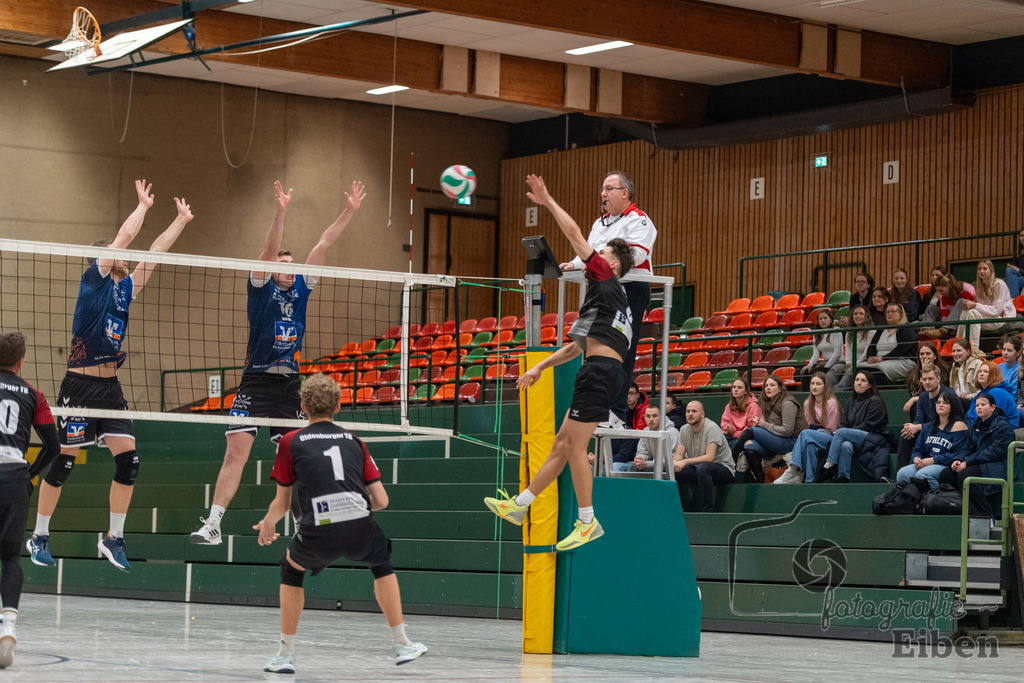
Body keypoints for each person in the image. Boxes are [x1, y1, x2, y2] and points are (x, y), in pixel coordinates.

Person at [28, 180, 194, 572]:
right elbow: (126, 236)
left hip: (110, 388)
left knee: (130, 461)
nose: (124, 255)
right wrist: (142, 207)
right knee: (64, 462)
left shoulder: (126, 289)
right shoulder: (94, 281)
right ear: (103, 258)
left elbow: (154, 253)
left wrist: (180, 221)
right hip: (79, 387)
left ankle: (114, 538)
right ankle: (39, 536)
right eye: (116, 253)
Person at [192, 180, 366, 545]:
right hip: (255, 382)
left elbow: (323, 245)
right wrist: (281, 211)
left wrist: (348, 212)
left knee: (301, 453)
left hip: (289, 386)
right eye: (282, 264)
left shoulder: (303, 287)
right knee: (235, 452)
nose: (288, 268)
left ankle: (308, 521)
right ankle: (213, 524)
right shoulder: (260, 288)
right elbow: (269, 250)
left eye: (291, 265)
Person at [484, 174, 634, 551]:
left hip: (600, 373)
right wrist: (538, 368)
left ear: (612, 266)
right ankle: (520, 506)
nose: (596, 256)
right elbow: (573, 348)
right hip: (600, 370)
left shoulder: (606, 281)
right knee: (560, 445)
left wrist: (548, 201)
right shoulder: (602, 299)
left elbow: (575, 237)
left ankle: (587, 521)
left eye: (604, 255)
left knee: (573, 449)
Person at [253, 374, 426, 673]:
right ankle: (401, 644)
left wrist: (268, 524)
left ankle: (285, 655)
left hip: (318, 529)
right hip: (360, 525)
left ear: (303, 406)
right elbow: (382, 500)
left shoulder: (289, 442)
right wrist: (349, 505)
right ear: (339, 406)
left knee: (291, 569)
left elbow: (281, 504)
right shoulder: (355, 442)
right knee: (381, 563)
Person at [559, 171, 656, 424]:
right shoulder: (599, 223)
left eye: (609, 189)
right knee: (594, 346)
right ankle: (597, 406)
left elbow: (635, 256)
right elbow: (588, 254)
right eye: (602, 189)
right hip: (601, 289)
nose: (603, 194)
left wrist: (601, 265)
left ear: (625, 192)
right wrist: (573, 264)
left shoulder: (639, 220)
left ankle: (617, 411)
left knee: (621, 349)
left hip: (630, 289)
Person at [0, 332, 59, 669]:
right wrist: (31, 475)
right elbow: (53, 447)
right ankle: (8, 625)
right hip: (14, 478)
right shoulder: (34, 395)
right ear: (20, 362)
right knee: (10, 556)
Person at [938, 392, 1014, 519]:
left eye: (983, 404)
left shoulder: (1003, 426)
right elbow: (966, 448)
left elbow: (994, 452)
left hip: (998, 466)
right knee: (946, 474)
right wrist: (958, 459)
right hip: (978, 463)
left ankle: (984, 517)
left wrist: (967, 462)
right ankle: (958, 509)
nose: (979, 407)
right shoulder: (975, 427)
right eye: (977, 405)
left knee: (965, 475)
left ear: (993, 407)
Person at [817, 371, 891, 483]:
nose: (859, 383)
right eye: (857, 380)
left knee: (841, 432)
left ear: (870, 385)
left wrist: (847, 432)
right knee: (845, 445)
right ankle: (843, 477)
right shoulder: (851, 402)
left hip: (873, 437)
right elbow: (844, 423)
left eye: (863, 380)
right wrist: (848, 432)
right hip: (856, 438)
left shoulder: (875, 400)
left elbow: (868, 425)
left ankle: (828, 466)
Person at [732, 374, 806, 483]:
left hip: (791, 442)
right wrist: (761, 425)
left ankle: (731, 458)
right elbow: (770, 429)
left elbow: (787, 431)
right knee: (749, 446)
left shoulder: (788, 403)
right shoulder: (768, 403)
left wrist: (763, 424)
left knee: (750, 431)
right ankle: (761, 481)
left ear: (780, 388)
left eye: (772, 385)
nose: (768, 388)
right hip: (776, 442)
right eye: (766, 385)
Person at [775, 372, 841, 484]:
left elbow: (832, 428)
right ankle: (810, 480)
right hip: (815, 435)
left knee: (805, 434)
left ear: (825, 386)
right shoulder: (807, 403)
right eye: (812, 383)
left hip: (832, 439)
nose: (814, 387)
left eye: (818, 384)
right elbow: (811, 424)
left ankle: (792, 469)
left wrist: (818, 430)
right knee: (809, 446)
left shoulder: (832, 402)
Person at [895, 389, 968, 490]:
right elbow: (918, 449)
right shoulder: (929, 426)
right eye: (938, 402)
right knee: (902, 474)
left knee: (923, 475)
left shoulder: (959, 426)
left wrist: (933, 460)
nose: (940, 405)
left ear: (953, 406)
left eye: (945, 403)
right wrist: (916, 458)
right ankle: (910, 501)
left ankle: (935, 500)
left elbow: (959, 453)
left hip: (945, 465)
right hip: (926, 462)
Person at [673, 401, 735, 512]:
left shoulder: (711, 428)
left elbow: (709, 457)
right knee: (674, 470)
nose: (690, 414)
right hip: (700, 470)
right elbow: (678, 454)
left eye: (694, 411)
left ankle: (707, 510)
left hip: (723, 470)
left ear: (702, 414)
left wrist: (685, 461)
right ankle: (678, 508)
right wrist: (675, 463)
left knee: (703, 467)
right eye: (688, 411)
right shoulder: (684, 429)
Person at [957, 260, 1016, 350]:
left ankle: (972, 350)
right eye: (979, 269)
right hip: (987, 317)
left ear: (991, 271)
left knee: (972, 313)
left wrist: (975, 305)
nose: (981, 271)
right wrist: (972, 305)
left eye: (985, 268)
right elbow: (982, 309)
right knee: (966, 312)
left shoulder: (999, 284)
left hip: (1002, 319)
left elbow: (996, 311)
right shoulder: (980, 287)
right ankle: (959, 346)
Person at [896, 365, 944, 469]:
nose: (927, 382)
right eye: (924, 379)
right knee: (907, 435)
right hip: (929, 431)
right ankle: (899, 477)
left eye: (930, 379)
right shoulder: (923, 397)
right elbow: (919, 419)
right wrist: (911, 427)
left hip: (945, 435)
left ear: (938, 378)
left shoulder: (947, 395)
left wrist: (918, 427)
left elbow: (944, 423)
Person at [858, 303, 917, 386]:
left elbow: (901, 349)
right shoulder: (881, 329)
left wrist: (883, 358)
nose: (889, 314)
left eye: (893, 311)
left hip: (903, 361)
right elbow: (871, 347)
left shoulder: (906, 328)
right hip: (880, 360)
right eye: (887, 312)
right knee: (859, 369)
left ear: (901, 314)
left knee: (877, 371)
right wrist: (871, 358)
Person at [796, 308, 843, 390]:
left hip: (838, 362)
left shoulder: (836, 330)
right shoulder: (817, 334)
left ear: (831, 320)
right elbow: (816, 354)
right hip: (824, 363)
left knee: (818, 374)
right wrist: (809, 365)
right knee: (806, 372)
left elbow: (837, 353)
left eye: (825, 318)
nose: (823, 321)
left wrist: (826, 368)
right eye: (820, 319)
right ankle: (807, 395)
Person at [901, 342, 950, 420]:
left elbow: (939, 392)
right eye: (922, 354)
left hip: (939, 402)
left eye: (928, 353)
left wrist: (926, 370)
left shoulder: (944, 370)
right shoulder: (913, 373)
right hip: (921, 404)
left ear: (935, 356)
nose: (924, 356)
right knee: (916, 406)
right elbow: (914, 393)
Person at [830, 305, 872, 388]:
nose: (858, 316)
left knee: (850, 371)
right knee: (836, 367)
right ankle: (825, 388)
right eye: (855, 314)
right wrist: (849, 363)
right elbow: (848, 351)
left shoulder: (871, 332)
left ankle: (838, 390)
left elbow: (866, 353)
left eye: (861, 314)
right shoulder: (849, 333)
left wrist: (854, 365)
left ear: (866, 316)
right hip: (851, 363)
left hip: (863, 363)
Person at [966, 361, 1020, 428]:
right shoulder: (982, 393)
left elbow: (992, 419)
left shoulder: (998, 392)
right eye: (980, 371)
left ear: (994, 375)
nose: (981, 374)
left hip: (1003, 432)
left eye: (985, 372)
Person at [921, 274, 976, 339]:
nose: (940, 293)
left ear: (949, 286)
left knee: (961, 301)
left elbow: (973, 307)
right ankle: (926, 331)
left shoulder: (966, 289)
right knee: (931, 308)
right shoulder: (943, 296)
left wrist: (946, 329)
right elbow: (945, 316)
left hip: (965, 316)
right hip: (950, 320)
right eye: (938, 291)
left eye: (941, 290)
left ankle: (946, 330)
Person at [633, 404, 679, 474]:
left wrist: (647, 464)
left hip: (674, 468)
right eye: (648, 416)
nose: (651, 419)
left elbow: (670, 460)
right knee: (632, 467)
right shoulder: (645, 431)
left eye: (655, 416)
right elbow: (642, 452)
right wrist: (639, 459)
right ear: (645, 418)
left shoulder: (672, 432)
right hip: (654, 465)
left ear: (662, 417)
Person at [610, 383, 648, 469]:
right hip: (626, 442)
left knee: (616, 465)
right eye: (625, 394)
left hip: (637, 449)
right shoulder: (623, 409)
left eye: (631, 393)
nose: (627, 396)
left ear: (637, 395)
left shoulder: (645, 410)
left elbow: (638, 433)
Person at [720, 377, 761, 451]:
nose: (735, 389)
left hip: (746, 437)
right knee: (717, 440)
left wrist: (735, 433)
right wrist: (729, 428)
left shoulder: (753, 406)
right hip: (731, 437)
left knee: (730, 446)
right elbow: (725, 424)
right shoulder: (729, 406)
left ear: (745, 391)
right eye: (734, 387)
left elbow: (751, 429)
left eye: (739, 387)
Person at [950, 338, 984, 409]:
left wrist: (967, 396)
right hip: (959, 401)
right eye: (953, 351)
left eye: (959, 350)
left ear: (968, 352)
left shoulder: (977, 364)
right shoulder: (954, 366)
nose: (955, 354)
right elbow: (951, 387)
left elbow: (983, 390)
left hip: (974, 401)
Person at [998, 334, 1021, 399]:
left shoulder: (1020, 369)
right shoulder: (998, 367)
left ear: (1018, 352)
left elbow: (1014, 395)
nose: (1005, 353)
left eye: (1009, 350)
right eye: (1004, 349)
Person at [1005, 228, 1024, 297]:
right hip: (1019, 278)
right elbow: (1014, 268)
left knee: (1010, 280)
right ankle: (1015, 300)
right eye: (1021, 236)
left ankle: (1013, 300)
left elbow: (1017, 270)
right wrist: (1011, 266)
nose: (1023, 238)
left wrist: (1018, 270)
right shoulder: (1017, 253)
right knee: (1009, 272)